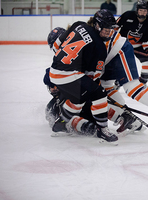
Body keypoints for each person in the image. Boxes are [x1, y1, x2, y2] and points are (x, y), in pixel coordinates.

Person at [49, 9, 118, 145]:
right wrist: (97, 93)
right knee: (99, 94)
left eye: (110, 29)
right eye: (106, 28)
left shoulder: (78, 25)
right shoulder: (99, 47)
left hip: (54, 71)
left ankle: (62, 122)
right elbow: (94, 77)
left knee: (78, 99)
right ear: (97, 25)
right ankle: (103, 130)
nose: (108, 32)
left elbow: (57, 45)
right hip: (68, 75)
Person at [116, 0, 148, 84]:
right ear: (137, 10)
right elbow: (115, 27)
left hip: (138, 47)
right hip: (122, 45)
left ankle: (142, 84)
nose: (142, 13)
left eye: (145, 11)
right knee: (121, 64)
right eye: (140, 10)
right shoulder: (127, 15)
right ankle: (117, 84)